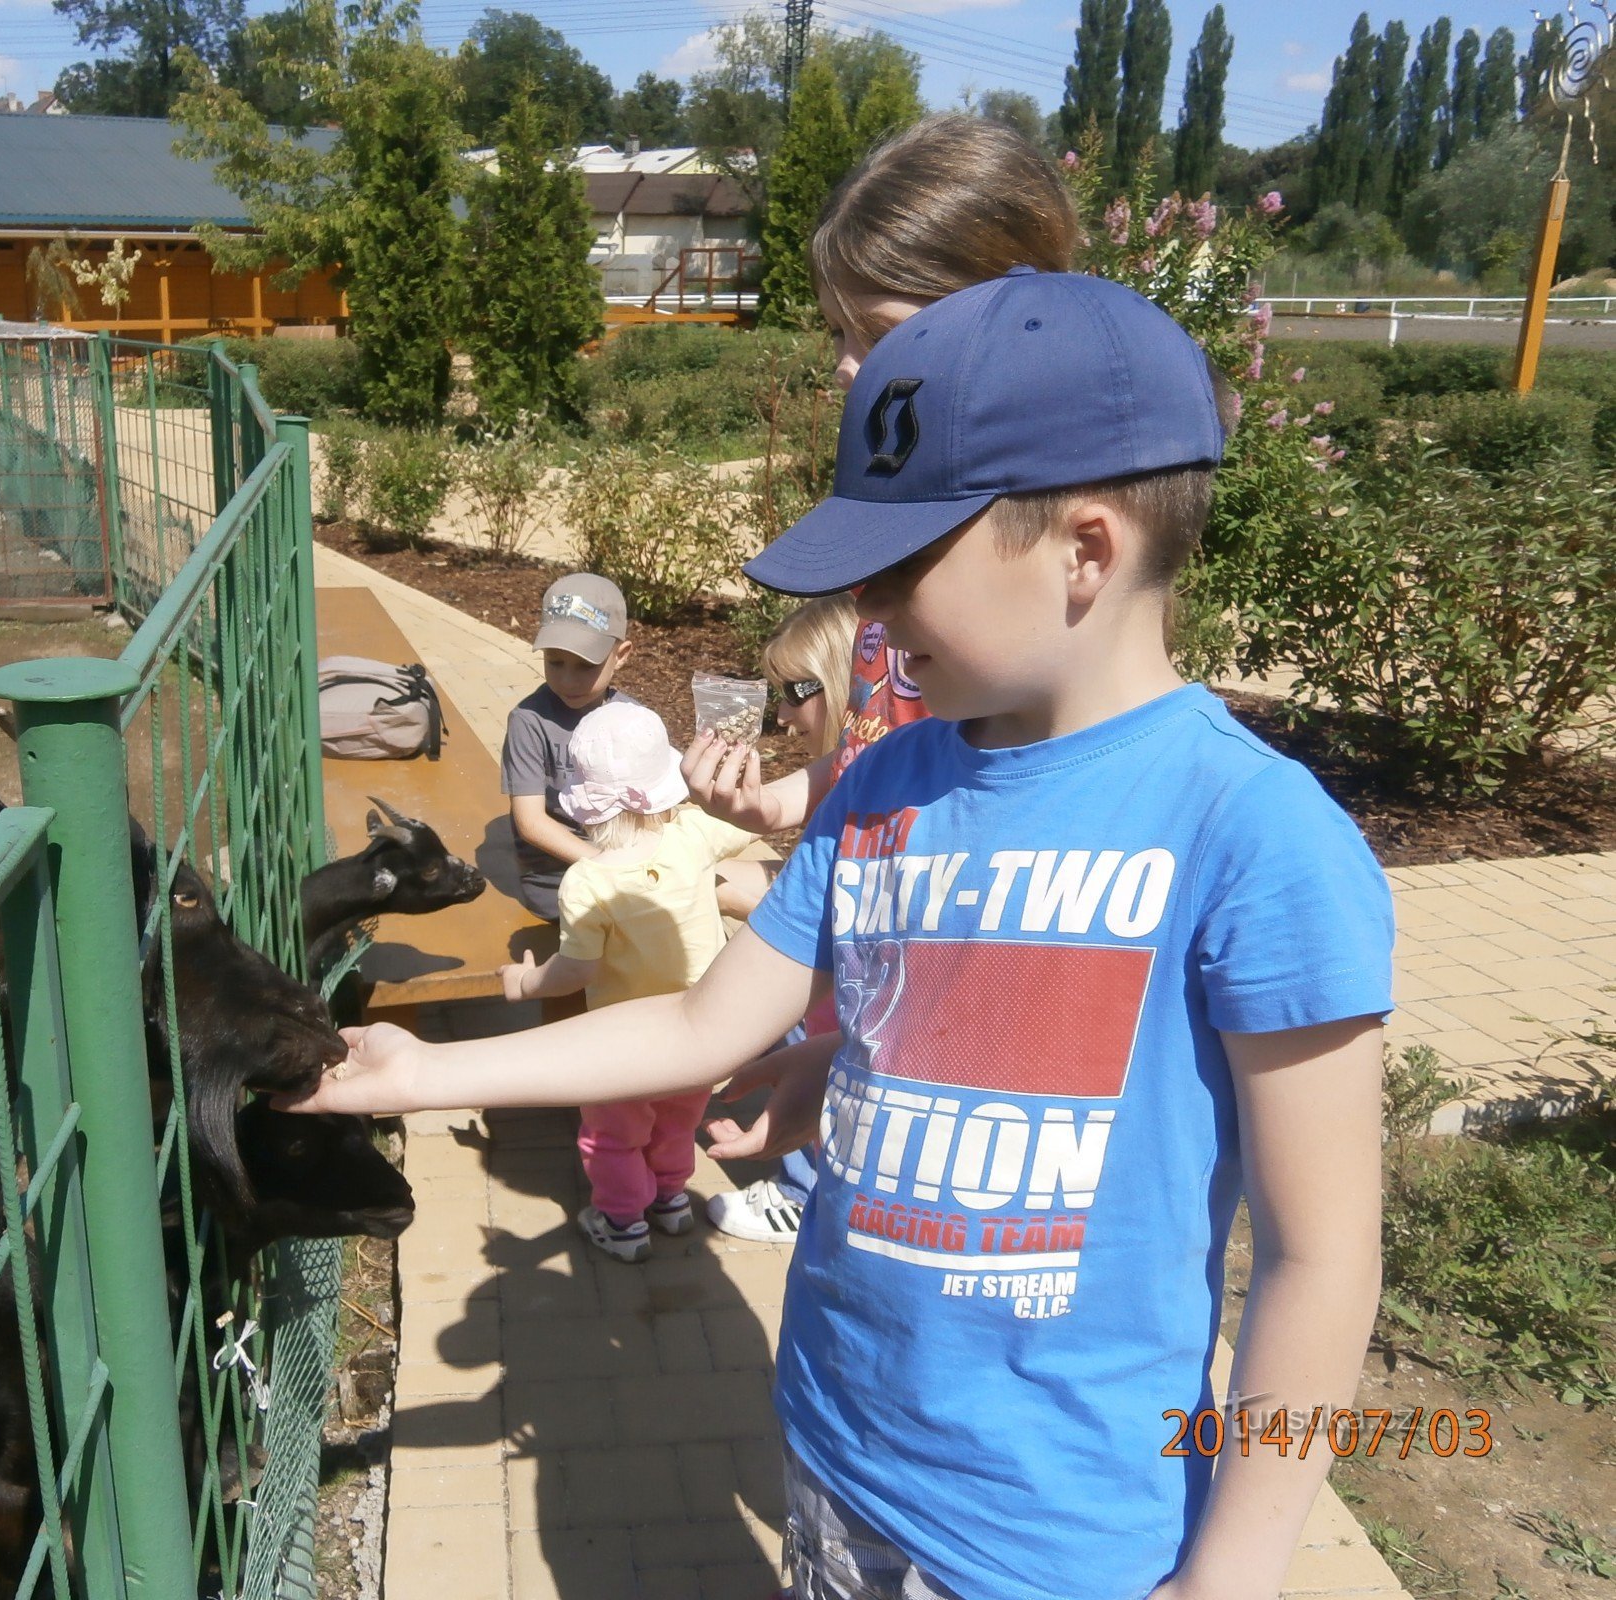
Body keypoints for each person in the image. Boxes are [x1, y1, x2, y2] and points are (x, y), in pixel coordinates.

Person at [291, 271, 1394, 1600]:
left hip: (1056, 1543)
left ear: (1085, 553)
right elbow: (707, 1020)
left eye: (902, 566)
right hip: (835, 1450)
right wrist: (419, 1075)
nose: (868, 613)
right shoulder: (883, 789)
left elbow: (1320, 1254)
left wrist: (1239, 1567)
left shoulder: (1256, 839)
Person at [697, 113, 1082, 1246]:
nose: (846, 368)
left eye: (872, 330)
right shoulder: (893, 607)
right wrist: (771, 808)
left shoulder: (1007, 605)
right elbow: (870, 775)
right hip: (872, 1010)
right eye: (836, 332)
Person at [496, 700, 753, 1263]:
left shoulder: (588, 880)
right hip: (696, 1034)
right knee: (678, 1122)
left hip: (623, 1045)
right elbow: (744, 820)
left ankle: (622, 1221)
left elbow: (575, 972)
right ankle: (670, 1200)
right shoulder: (692, 835)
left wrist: (525, 983)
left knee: (613, 1134)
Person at [707, 594, 859, 1245]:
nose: (785, 714)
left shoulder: (885, 755)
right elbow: (770, 812)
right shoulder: (851, 755)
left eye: (797, 691)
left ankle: (801, 1194)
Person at [501, 572, 638, 922]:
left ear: (621, 655)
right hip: (556, 874)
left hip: (623, 858)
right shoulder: (529, 721)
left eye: (585, 665)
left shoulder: (634, 718)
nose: (567, 680)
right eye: (555, 662)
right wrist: (609, 866)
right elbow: (531, 823)